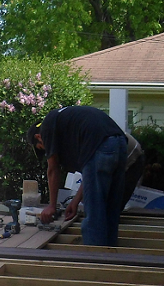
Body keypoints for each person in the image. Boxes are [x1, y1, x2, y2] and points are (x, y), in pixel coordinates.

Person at [27, 106, 127, 247]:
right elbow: (90, 174)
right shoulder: (68, 127)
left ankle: (93, 262)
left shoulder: (47, 128)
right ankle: (109, 259)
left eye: (41, 148)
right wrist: (75, 201)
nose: (46, 151)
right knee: (110, 210)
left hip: (101, 146)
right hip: (120, 144)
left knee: (94, 214)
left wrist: (51, 206)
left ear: (38, 137)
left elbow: (53, 169)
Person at [66, 130, 145, 217]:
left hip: (133, 158)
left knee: (112, 208)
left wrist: (76, 201)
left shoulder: (89, 145)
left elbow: (90, 176)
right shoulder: (83, 141)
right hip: (118, 151)